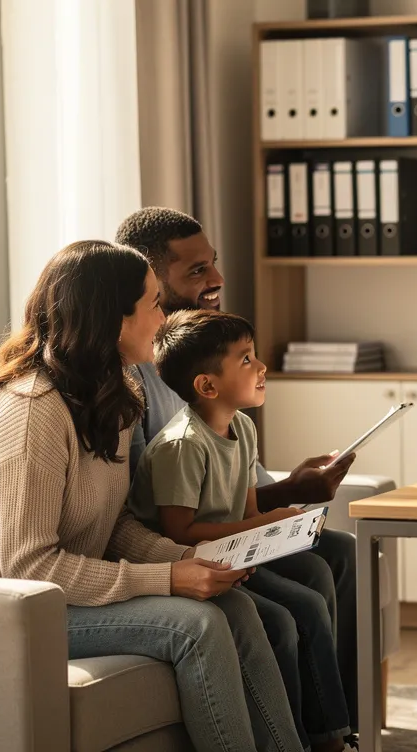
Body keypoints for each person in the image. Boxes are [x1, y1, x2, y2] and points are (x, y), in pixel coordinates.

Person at [0, 241, 305, 752]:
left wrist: (191, 558)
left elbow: (113, 522)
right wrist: (167, 577)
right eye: (152, 304)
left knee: (235, 606)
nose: (164, 317)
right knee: (196, 626)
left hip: (54, 591)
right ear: (113, 320)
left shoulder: (114, 392)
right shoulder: (32, 411)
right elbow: (29, 566)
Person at [114, 207, 363, 731]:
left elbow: (240, 490)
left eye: (214, 265)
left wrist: (291, 492)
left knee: (341, 552)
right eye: (197, 271)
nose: (218, 280)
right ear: (152, 282)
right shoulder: (144, 379)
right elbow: (167, 509)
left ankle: (346, 721)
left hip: (228, 528)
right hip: (186, 543)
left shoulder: (221, 385)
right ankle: (317, 731)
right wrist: (282, 504)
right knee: (314, 574)